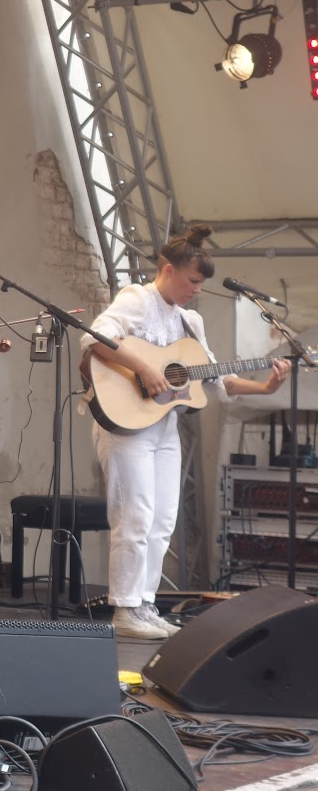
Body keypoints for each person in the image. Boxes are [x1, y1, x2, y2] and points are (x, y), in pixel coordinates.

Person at [81, 224, 289, 640]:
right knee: (135, 514)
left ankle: (144, 604)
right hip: (126, 423)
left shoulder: (190, 322)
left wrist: (266, 387)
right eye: (193, 281)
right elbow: (94, 338)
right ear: (168, 270)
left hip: (164, 428)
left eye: (201, 283)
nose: (197, 290)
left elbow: (218, 379)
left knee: (162, 520)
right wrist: (144, 368)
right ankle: (124, 609)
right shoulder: (138, 298)